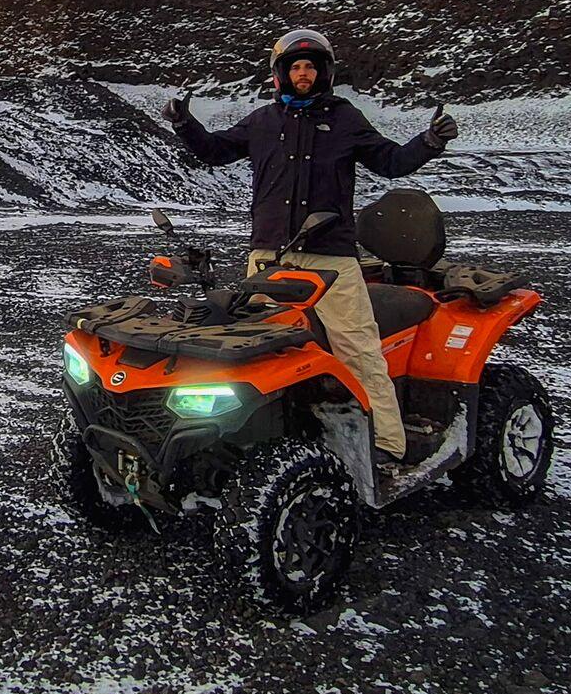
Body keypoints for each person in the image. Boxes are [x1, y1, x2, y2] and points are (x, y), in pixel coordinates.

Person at [163, 28, 458, 470]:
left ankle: (388, 446)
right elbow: (214, 152)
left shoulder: (344, 118)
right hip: (268, 257)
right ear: (281, 74)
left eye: (311, 67)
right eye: (296, 67)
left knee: (357, 346)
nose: (303, 73)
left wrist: (430, 142)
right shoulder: (263, 121)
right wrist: (185, 124)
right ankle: (268, 438)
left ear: (324, 73)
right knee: (264, 349)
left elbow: (390, 162)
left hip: (331, 258)